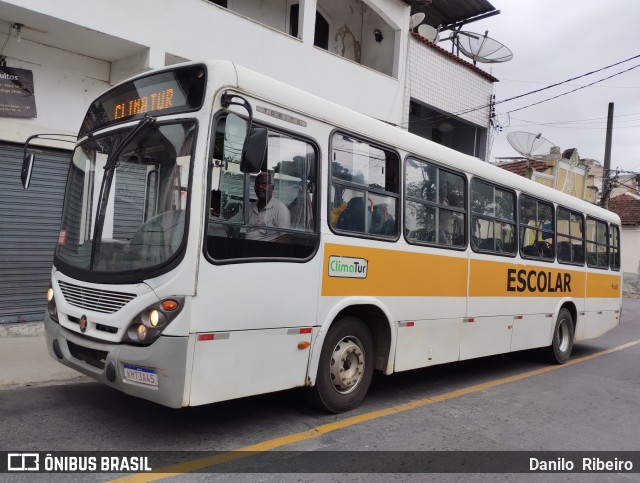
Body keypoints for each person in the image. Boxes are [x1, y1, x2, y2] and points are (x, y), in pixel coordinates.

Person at [245, 171, 291, 241]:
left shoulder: (280, 209)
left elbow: (286, 238)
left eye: (264, 184)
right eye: (257, 184)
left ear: (272, 187)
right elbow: (234, 224)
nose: (260, 187)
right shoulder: (250, 207)